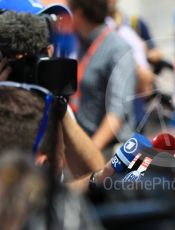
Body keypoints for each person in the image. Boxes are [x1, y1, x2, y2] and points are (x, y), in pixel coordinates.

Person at [0, 9, 105, 178]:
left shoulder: (47, 98)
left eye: (45, 44)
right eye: (26, 49)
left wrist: (59, 108)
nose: (44, 57)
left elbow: (95, 175)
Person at [67, 0, 136, 156]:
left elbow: (117, 113)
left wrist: (87, 154)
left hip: (106, 151)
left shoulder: (118, 48)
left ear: (78, 14)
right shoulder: (82, 44)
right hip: (85, 143)